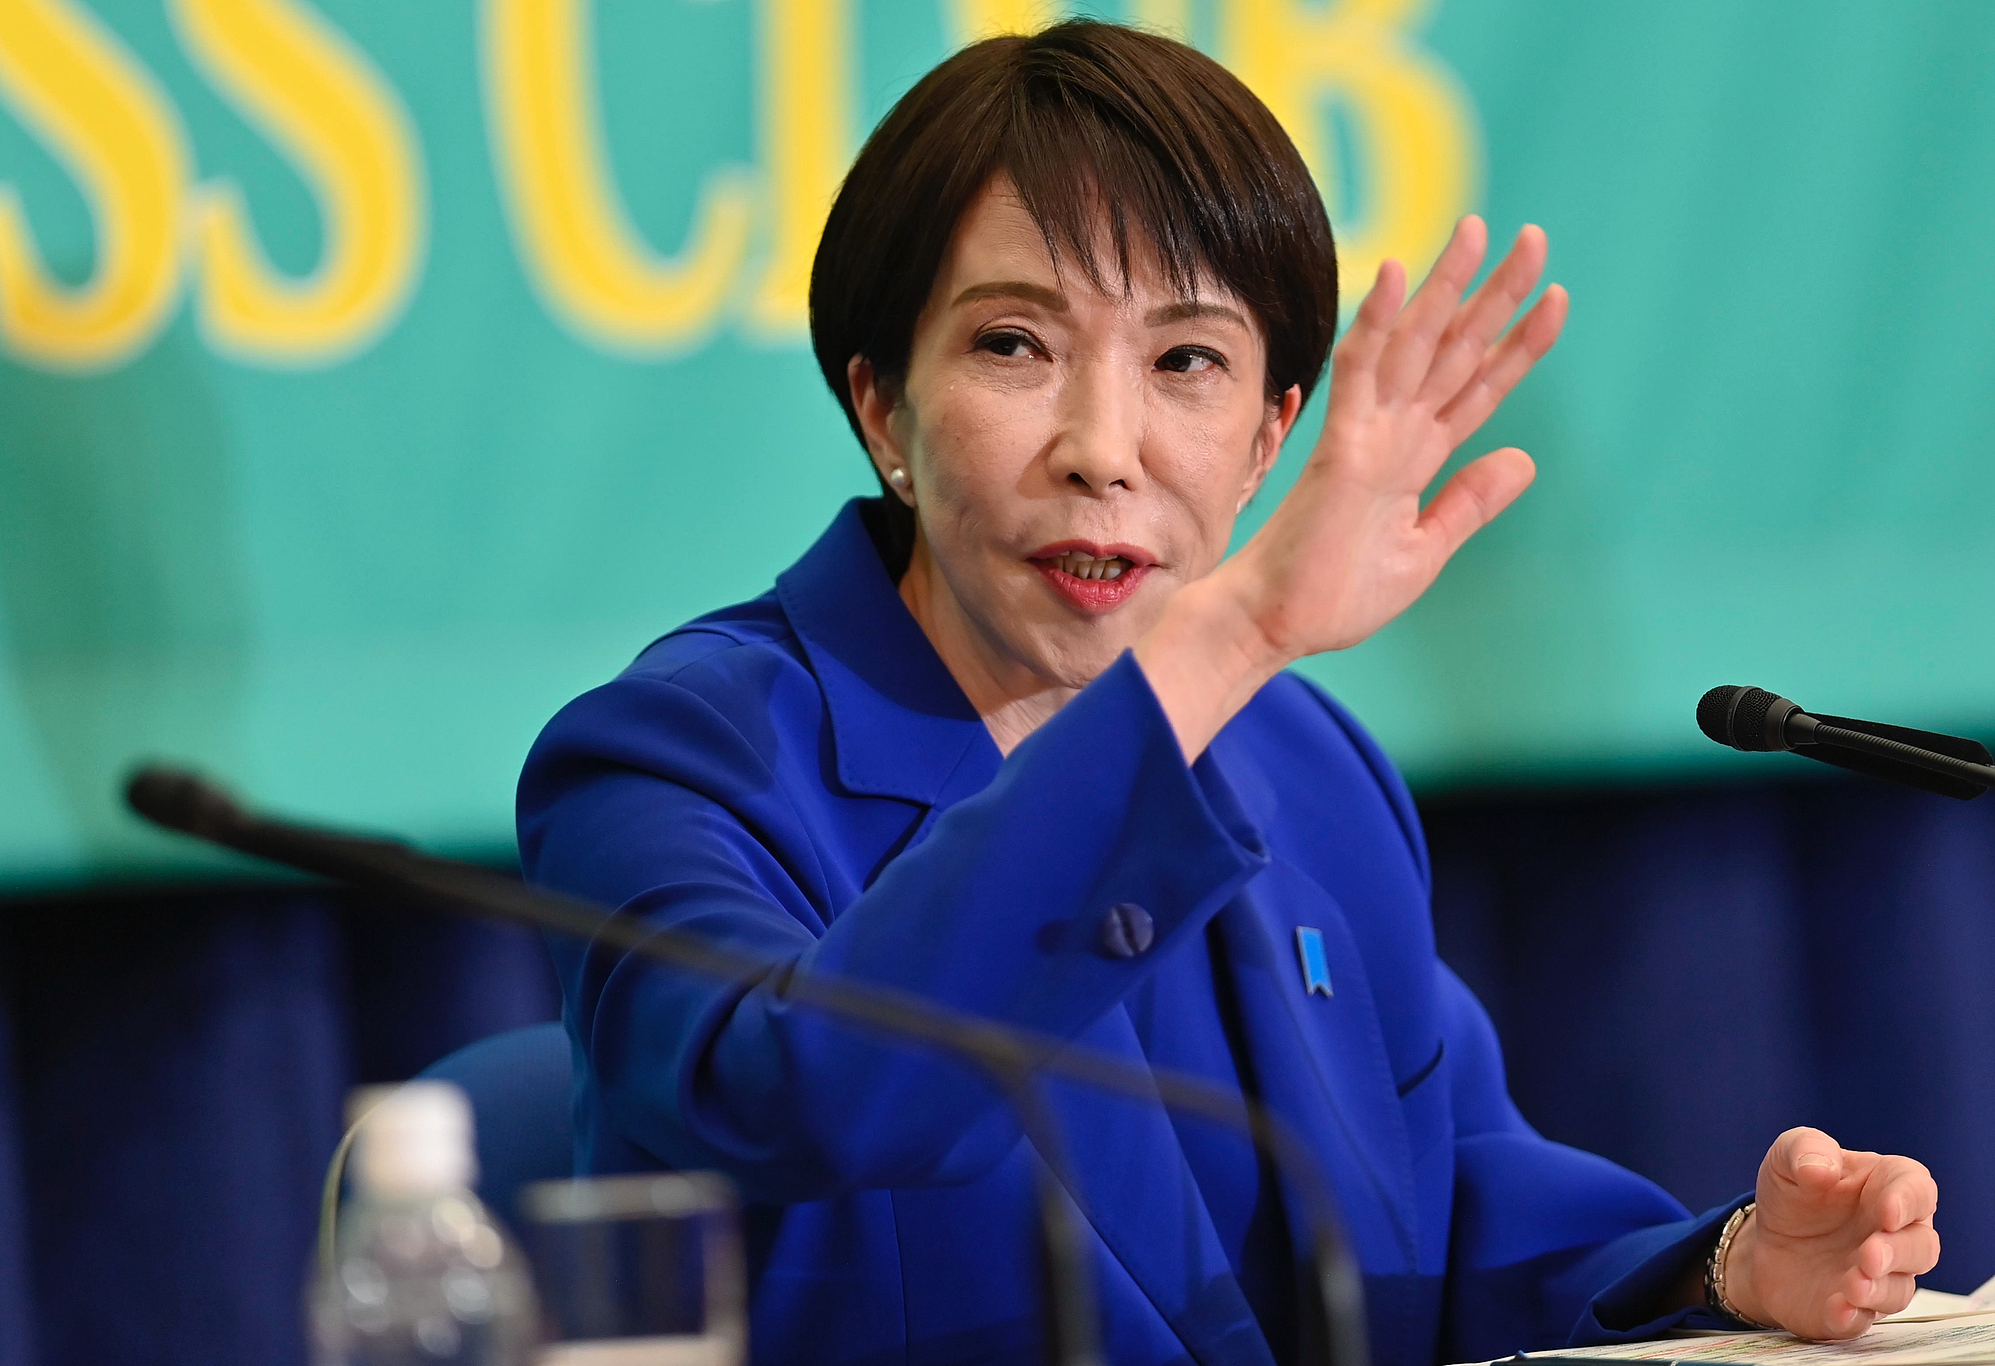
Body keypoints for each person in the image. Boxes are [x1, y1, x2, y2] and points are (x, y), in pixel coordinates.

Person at [518, 22, 1938, 1366]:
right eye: (1015, 344)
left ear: (1267, 439)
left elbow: (1453, 1204)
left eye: (1185, 361)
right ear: (883, 405)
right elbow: (802, 1093)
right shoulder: (677, 760)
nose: (1104, 446)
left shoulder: (1308, 767)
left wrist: (1726, 1263)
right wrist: (1231, 630)